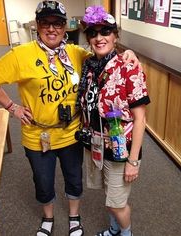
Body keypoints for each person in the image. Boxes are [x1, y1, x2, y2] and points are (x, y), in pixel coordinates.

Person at [0, 1, 140, 236]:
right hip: (37, 134)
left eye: (58, 24)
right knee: (43, 181)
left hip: (71, 132)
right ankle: (48, 218)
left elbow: (103, 55)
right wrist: (11, 106)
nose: (52, 29)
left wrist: (127, 52)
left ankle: (74, 216)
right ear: (37, 25)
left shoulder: (76, 54)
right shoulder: (20, 55)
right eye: (46, 23)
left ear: (66, 27)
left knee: (74, 178)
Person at [76, 5, 150, 236]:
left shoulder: (129, 68)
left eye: (105, 31)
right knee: (108, 195)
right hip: (96, 144)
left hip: (121, 149)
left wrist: (133, 161)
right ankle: (114, 230)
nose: (99, 38)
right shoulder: (88, 66)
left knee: (116, 203)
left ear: (116, 36)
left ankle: (125, 234)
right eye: (93, 33)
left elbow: (140, 120)